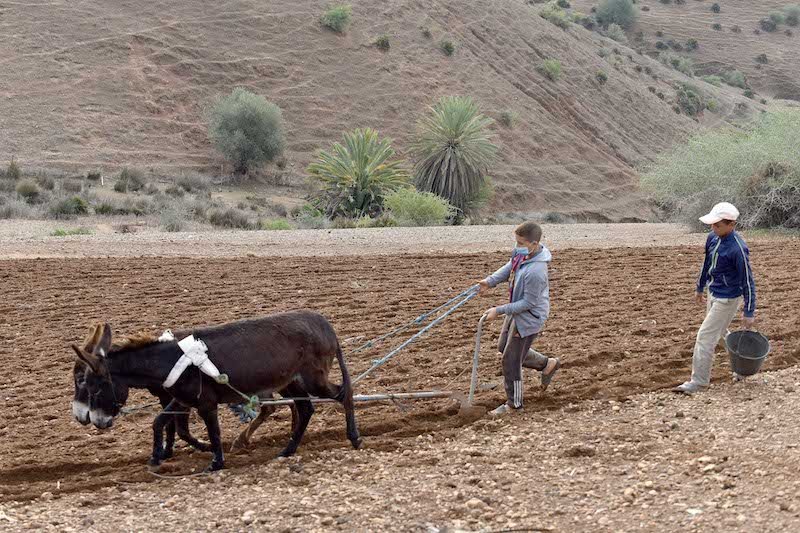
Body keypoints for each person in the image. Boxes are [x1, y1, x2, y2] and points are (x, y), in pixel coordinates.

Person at [477, 221, 561, 416]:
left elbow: (528, 303)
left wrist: (498, 310)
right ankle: (547, 364)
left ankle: (514, 406)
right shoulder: (523, 254)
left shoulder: (536, 272)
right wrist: (489, 282)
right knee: (502, 346)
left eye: (521, 243)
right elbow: (510, 266)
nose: (517, 247)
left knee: (511, 361)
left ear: (534, 243)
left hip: (529, 317)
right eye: (516, 242)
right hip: (516, 311)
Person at [674, 202, 757, 395]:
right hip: (714, 292)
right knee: (719, 333)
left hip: (728, 299)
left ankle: (699, 382)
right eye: (712, 224)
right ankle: (742, 366)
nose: (713, 228)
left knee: (705, 336)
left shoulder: (738, 249)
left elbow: (747, 281)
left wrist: (749, 311)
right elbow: (706, 263)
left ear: (731, 225)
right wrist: (700, 287)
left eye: (718, 225)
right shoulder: (712, 238)